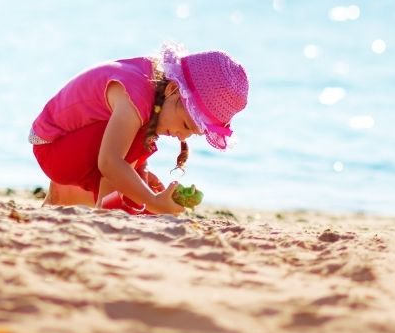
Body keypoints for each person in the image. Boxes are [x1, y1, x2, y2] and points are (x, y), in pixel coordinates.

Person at [29, 45, 247, 214]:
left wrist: (140, 177)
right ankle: (107, 209)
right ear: (172, 89)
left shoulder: (153, 90)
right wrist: (152, 201)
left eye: (192, 133)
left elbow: (115, 141)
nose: (182, 136)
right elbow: (110, 161)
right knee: (133, 159)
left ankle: (69, 200)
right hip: (54, 147)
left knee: (136, 188)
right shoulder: (136, 96)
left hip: (68, 145)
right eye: (185, 125)